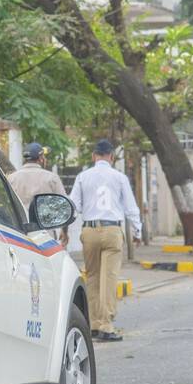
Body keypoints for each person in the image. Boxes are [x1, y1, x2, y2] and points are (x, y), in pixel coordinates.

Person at [70, 138, 142, 342]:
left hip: (90, 230)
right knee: (109, 278)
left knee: (92, 276)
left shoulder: (83, 177)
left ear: (94, 156)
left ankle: (93, 324)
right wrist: (137, 231)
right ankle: (107, 325)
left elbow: (73, 205)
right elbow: (130, 207)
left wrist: (65, 230)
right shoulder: (119, 178)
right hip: (112, 230)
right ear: (111, 157)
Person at [8, 142, 66, 211]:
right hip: (45, 220)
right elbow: (63, 204)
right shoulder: (52, 178)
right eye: (44, 156)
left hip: (19, 220)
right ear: (41, 158)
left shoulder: (11, 178)